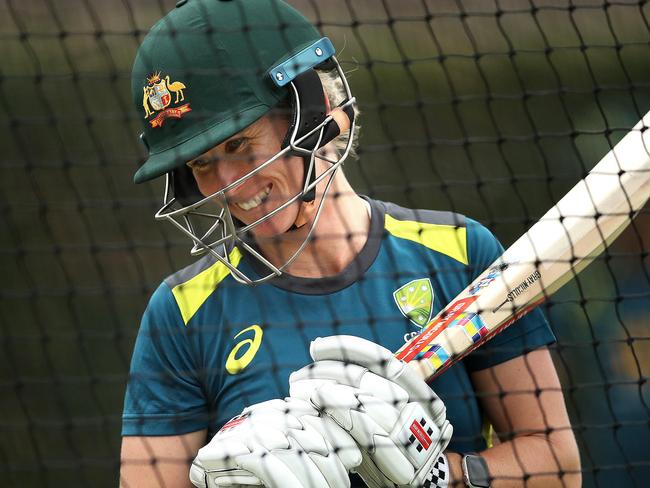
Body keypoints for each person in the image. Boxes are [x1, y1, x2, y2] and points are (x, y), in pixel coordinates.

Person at [120, 1, 581, 487]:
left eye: (239, 145)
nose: (230, 185)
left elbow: (559, 466)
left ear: (319, 114)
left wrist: (444, 475)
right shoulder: (182, 315)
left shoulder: (459, 254)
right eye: (201, 164)